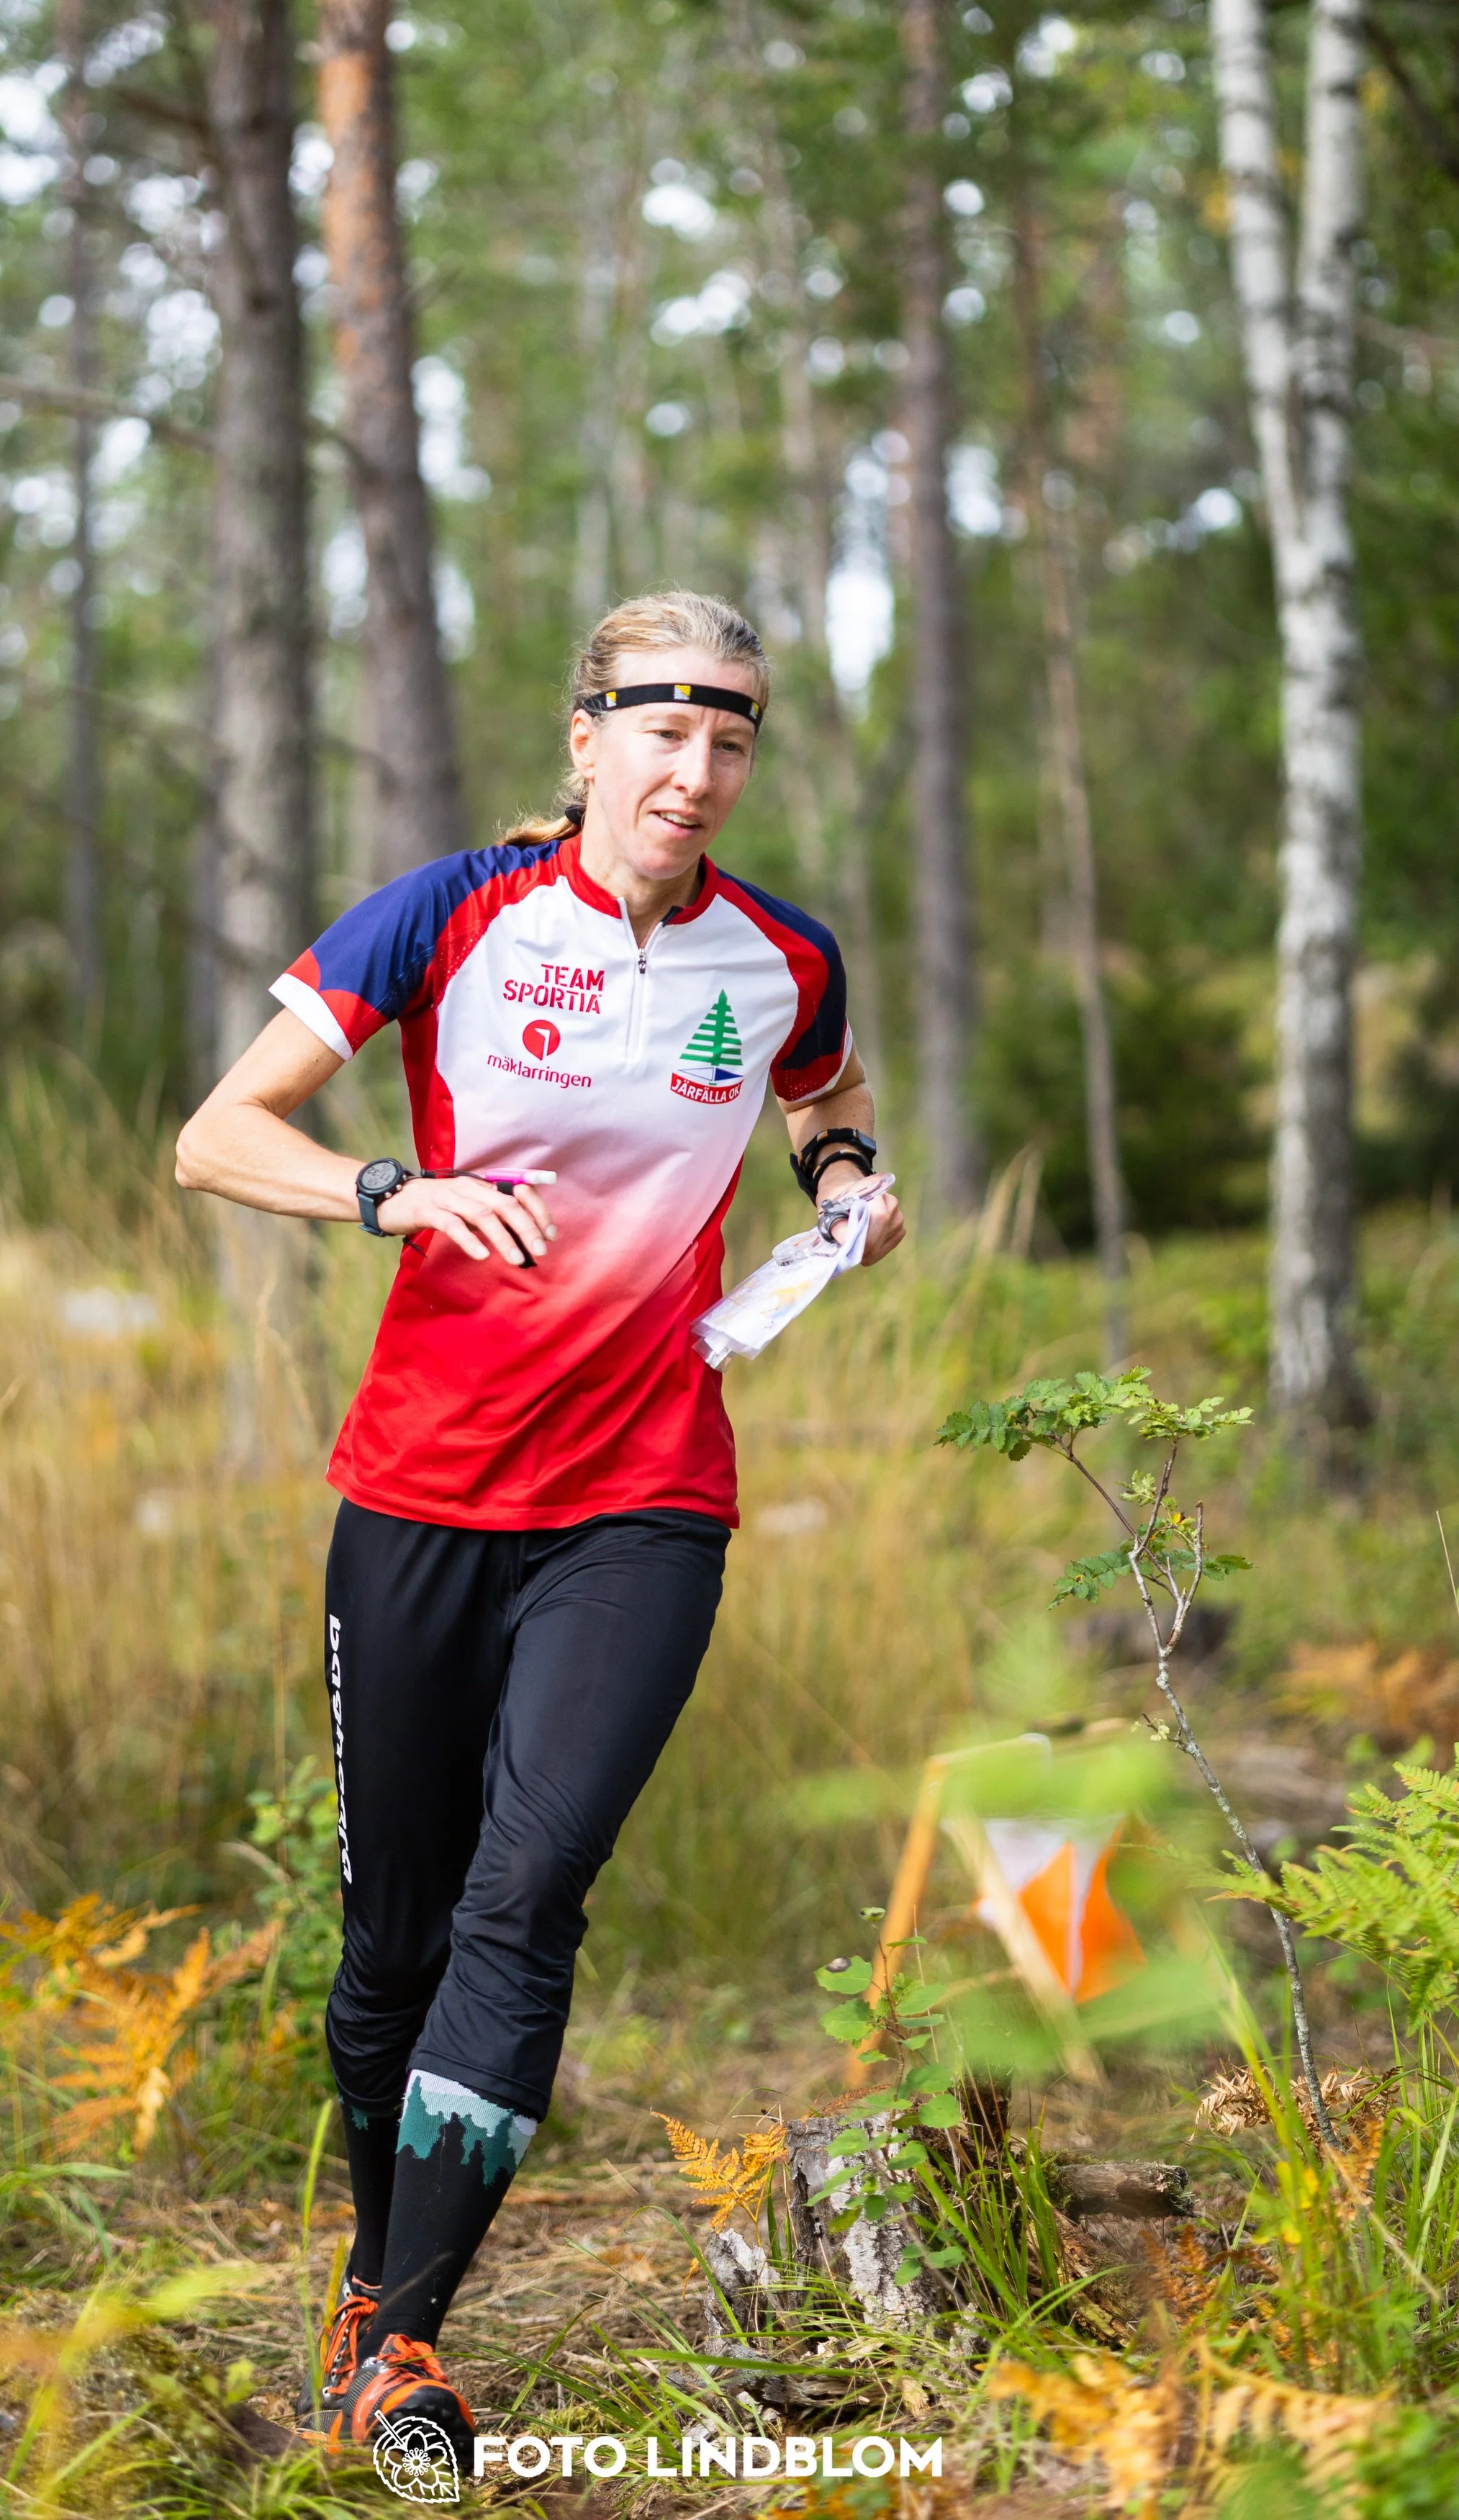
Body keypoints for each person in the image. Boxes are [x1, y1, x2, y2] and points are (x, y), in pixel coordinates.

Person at [175, 589, 904, 2462]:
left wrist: (846, 1182)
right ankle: (370, 2277)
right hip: (419, 1488)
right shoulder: (450, 915)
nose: (696, 768)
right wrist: (393, 1191)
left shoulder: (781, 954)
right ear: (586, 739)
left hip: (644, 1498)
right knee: (393, 1941)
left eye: (730, 737)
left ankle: (404, 2344)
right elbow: (215, 1136)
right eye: (663, 729)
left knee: (527, 1897)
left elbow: (823, 1091)